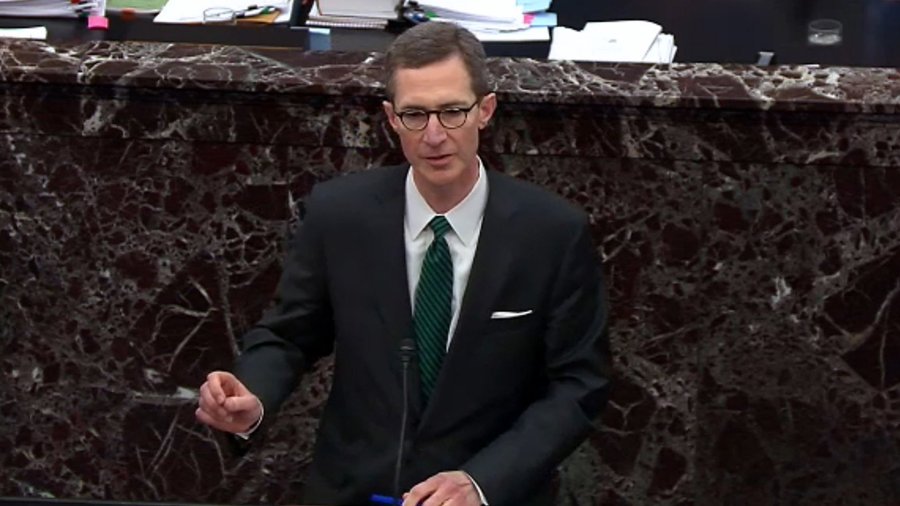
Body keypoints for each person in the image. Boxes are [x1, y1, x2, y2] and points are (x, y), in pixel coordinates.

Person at [196, 21, 610, 506]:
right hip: (353, 490)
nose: (434, 135)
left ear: (486, 110)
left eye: (452, 112)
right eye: (415, 115)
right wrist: (253, 398)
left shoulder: (551, 233)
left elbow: (579, 385)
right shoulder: (340, 215)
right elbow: (290, 334)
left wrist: (481, 483)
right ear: (391, 119)